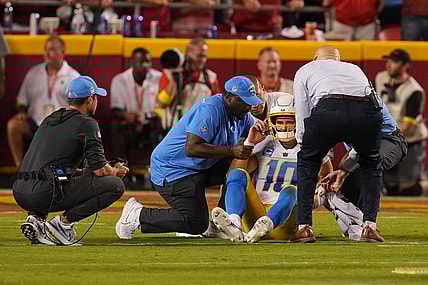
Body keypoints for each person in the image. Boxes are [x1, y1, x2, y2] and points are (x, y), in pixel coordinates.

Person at [115, 76, 263, 239]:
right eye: (244, 101)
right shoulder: (210, 109)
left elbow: (257, 130)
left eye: (251, 101)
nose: (249, 106)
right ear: (228, 98)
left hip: (198, 167)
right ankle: (137, 215)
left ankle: (222, 223)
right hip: (172, 170)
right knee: (196, 223)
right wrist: (232, 151)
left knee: (246, 165)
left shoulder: (241, 114)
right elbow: (192, 148)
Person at [14, 76, 128, 246]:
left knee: (57, 177)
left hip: (20, 192)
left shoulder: (50, 119)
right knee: (115, 185)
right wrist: (116, 171)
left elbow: (54, 164)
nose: (97, 101)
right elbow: (99, 171)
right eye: (96, 97)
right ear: (90, 99)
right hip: (43, 194)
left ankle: (36, 219)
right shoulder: (87, 124)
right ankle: (63, 223)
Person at [212, 93, 333, 243]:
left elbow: (328, 182)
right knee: (238, 174)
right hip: (255, 216)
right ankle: (234, 223)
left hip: (285, 221)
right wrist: (250, 143)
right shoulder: (265, 142)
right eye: (279, 121)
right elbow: (233, 174)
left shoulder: (312, 147)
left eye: (289, 122)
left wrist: (316, 199)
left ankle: (268, 223)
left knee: (292, 190)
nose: (283, 126)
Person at [292, 45, 383, 243]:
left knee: (307, 162)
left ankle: (304, 227)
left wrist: (307, 150)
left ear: (315, 58)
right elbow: (372, 99)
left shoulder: (306, 69)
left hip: (328, 108)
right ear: (338, 60)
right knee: (371, 164)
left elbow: (303, 114)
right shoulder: (354, 69)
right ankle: (369, 227)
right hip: (367, 111)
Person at [7, 35, 80, 167]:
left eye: (51, 49)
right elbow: (20, 101)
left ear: (62, 52)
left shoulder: (73, 76)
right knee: (13, 125)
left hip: (60, 125)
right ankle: (21, 169)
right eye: (45, 49)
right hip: (36, 122)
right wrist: (21, 111)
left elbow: (79, 108)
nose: (46, 53)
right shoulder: (33, 73)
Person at [375, 49, 427, 196]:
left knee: (408, 188)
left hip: (409, 141)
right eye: (388, 60)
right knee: (390, 187)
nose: (389, 65)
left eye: (395, 62)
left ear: (406, 66)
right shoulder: (380, 78)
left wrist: (384, 139)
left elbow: (408, 125)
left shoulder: (414, 90)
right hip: (388, 137)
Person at [110, 48, 162, 171]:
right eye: (142, 62)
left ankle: (157, 170)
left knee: (161, 126)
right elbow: (115, 110)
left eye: (148, 62)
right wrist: (129, 116)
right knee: (115, 127)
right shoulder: (119, 80)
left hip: (151, 121)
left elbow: (163, 106)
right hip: (130, 123)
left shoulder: (159, 77)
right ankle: (122, 169)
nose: (145, 65)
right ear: (132, 62)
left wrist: (148, 116)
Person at [158, 37, 220, 131]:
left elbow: (217, 107)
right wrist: (174, 80)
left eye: (204, 56)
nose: (202, 60)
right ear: (187, 55)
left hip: (198, 133)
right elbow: (162, 103)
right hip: (172, 132)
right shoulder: (169, 75)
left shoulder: (211, 78)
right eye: (199, 56)